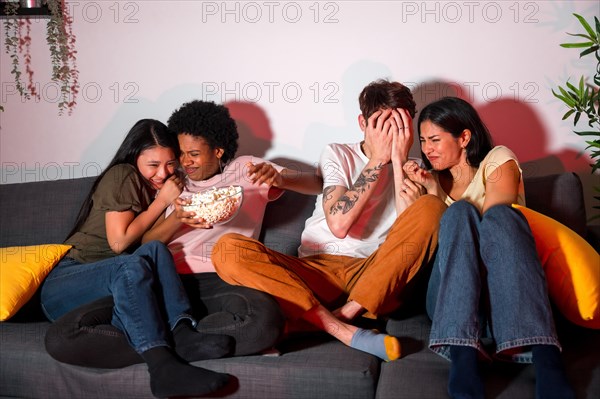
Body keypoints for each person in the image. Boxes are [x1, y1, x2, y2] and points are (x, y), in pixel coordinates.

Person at [44, 100, 322, 367]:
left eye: (194, 154)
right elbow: (145, 245)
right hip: (165, 279)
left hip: (221, 276)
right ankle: (183, 344)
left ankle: (164, 343)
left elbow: (316, 182)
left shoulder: (247, 169)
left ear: (218, 151)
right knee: (65, 335)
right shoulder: (173, 186)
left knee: (263, 322)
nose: (185, 163)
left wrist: (282, 178)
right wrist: (177, 216)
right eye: (181, 155)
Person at [212, 79, 447, 362]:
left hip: (373, 279)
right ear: (363, 123)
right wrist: (377, 160)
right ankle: (339, 328)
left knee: (431, 208)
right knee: (227, 249)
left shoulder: (415, 168)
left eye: (398, 125)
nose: (390, 133)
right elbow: (339, 224)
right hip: (316, 273)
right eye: (382, 124)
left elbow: (407, 233)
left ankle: (339, 317)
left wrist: (397, 161)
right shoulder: (338, 153)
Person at [40, 119, 231, 399]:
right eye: (153, 165)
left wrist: (179, 215)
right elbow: (120, 244)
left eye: (170, 163)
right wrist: (161, 202)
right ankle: (162, 367)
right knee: (131, 264)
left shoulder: (160, 185)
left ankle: (182, 334)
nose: (163, 173)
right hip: (68, 281)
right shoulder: (122, 175)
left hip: (113, 283)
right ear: (134, 157)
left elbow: (146, 244)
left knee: (155, 251)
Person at [403, 96, 574, 399]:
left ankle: (547, 357)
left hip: (506, 297)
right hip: (452, 300)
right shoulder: (429, 181)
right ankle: (462, 359)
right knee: (458, 214)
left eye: (434, 140)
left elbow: (496, 223)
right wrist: (430, 194)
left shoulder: (497, 159)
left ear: (464, 137)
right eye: (422, 141)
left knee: (496, 216)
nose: (426, 149)